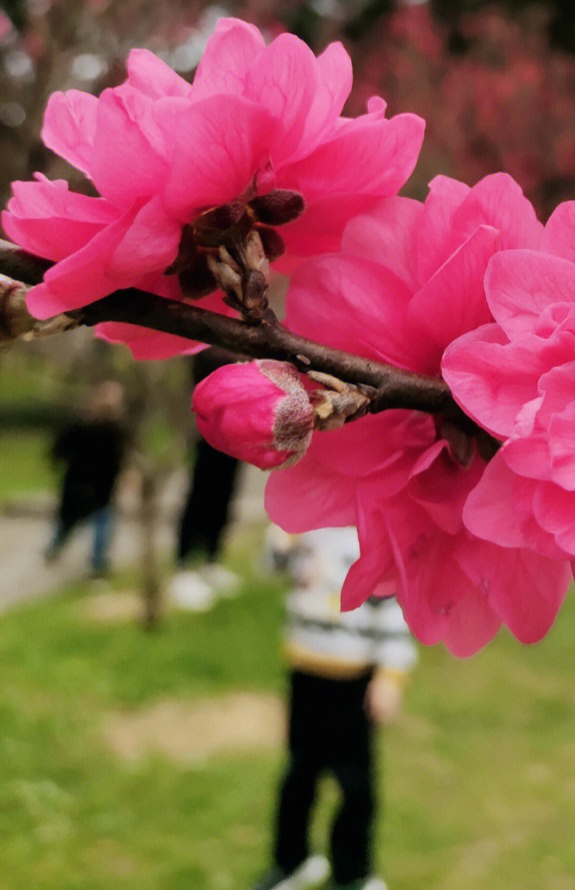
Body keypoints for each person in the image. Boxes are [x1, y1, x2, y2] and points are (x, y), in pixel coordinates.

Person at [253, 525, 416, 890]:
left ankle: (353, 871)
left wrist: (390, 675)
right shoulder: (307, 525)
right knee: (298, 775)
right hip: (306, 671)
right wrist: (283, 534)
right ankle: (292, 860)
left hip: (352, 683)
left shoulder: (377, 531)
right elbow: (268, 566)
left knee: (355, 786)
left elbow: (396, 609)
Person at [169, 350, 244, 612]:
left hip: (236, 436)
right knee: (199, 497)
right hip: (207, 433)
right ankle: (183, 564)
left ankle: (211, 559)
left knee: (224, 497)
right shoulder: (204, 350)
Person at [44, 379, 127, 577]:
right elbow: (59, 449)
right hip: (78, 482)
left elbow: (119, 457)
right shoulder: (80, 425)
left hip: (103, 486)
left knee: (102, 527)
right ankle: (55, 548)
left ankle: (98, 564)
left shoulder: (115, 430)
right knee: (67, 521)